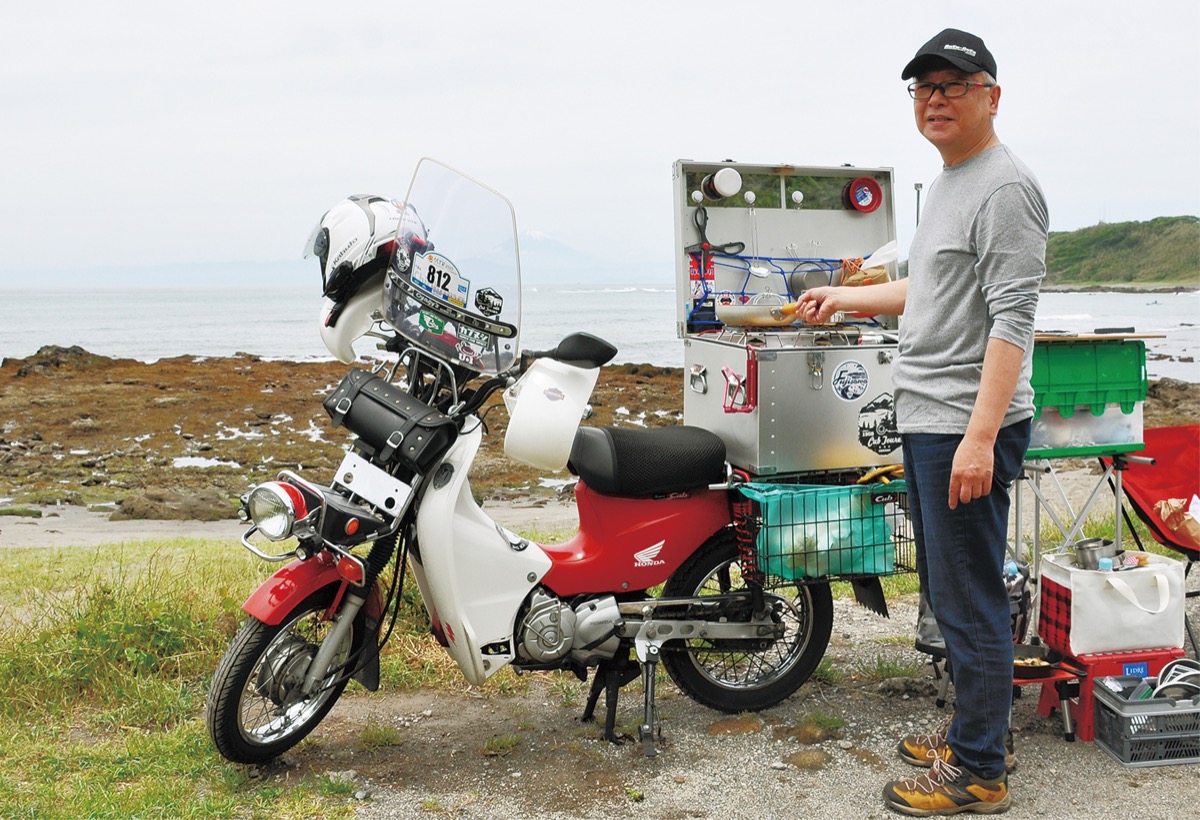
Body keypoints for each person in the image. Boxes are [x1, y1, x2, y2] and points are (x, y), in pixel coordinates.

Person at [798, 28, 1047, 816]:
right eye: (923, 88)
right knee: (949, 587)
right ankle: (979, 730)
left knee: (967, 596)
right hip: (930, 415)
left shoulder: (1006, 188)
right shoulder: (949, 182)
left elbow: (1013, 322)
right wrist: (845, 298)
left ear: (991, 96)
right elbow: (927, 293)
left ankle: (979, 772)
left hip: (963, 425)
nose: (935, 99)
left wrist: (979, 437)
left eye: (953, 85)